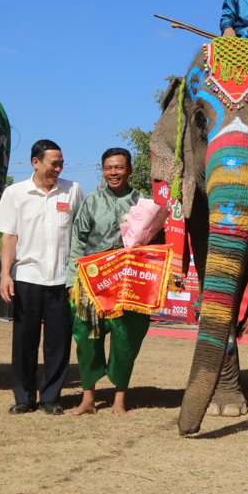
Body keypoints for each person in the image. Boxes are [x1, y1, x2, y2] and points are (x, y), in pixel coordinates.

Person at [0, 140, 84, 415]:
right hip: (26, 277)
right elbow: (9, 237)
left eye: (61, 163)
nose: (58, 168)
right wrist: (5, 275)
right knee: (24, 340)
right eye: (53, 163)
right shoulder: (15, 193)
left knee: (59, 341)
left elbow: (81, 232)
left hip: (61, 280)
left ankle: (51, 398)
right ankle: (24, 397)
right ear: (35, 162)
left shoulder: (73, 190)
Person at [66, 148, 153, 417]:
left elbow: (154, 244)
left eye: (118, 167)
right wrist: (72, 282)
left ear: (129, 169)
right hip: (92, 283)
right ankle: (88, 400)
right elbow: (77, 242)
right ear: (102, 170)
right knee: (86, 338)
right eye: (108, 168)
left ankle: (119, 399)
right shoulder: (91, 202)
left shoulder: (144, 204)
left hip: (129, 284)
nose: (113, 173)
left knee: (125, 339)